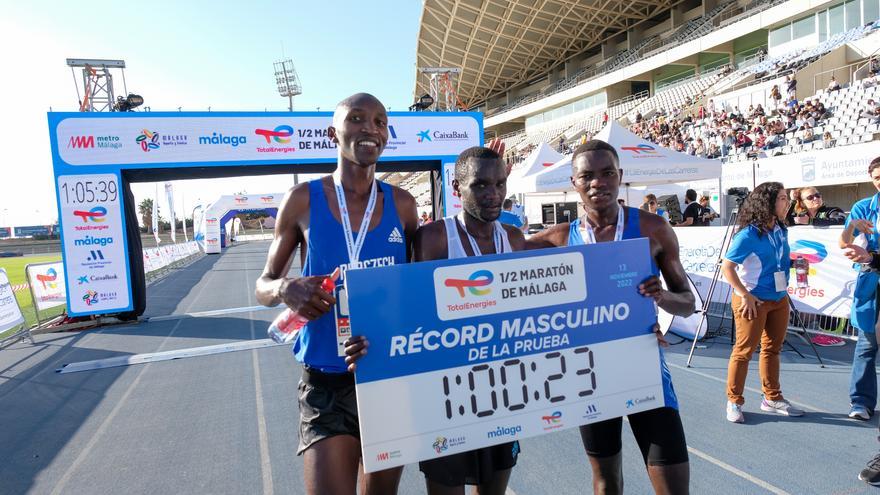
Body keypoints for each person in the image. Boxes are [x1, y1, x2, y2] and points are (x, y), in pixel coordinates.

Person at [254, 93, 419, 495]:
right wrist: (285, 288)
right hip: (327, 380)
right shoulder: (302, 200)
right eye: (358, 119)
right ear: (334, 132)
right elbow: (263, 286)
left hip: (386, 374)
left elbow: (417, 291)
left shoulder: (403, 204)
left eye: (380, 122)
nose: (370, 129)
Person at [527, 140, 695, 495]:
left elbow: (687, 302)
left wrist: (661, 296)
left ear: (620, 177)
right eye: (587, 176)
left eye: (607, 174)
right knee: (606, 483)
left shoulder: (653, 229)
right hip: (590, 376)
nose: (597, 183)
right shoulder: (558, 239)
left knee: (674, 486)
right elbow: (494, 252)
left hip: (644, 370)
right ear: (573, 182)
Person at [414, 146, 526, 495]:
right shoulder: (434, 239)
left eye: (500, 183)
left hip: (503, 391)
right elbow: (411, 315)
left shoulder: (515, 239)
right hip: (445, 394)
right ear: (456, 187)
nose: (493, 194)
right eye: (480, 185)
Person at [721, 182, 805, 424]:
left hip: (779, 299)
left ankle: (772, 398)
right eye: (781, 198)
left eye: (786, 198)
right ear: (767, 202)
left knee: (772, 350)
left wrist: (794, 264)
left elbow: (778, 259)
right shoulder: (747, 235)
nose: (786, 202)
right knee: (743, 352)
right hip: (753, 301)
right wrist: (744, 294)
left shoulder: (780, 228)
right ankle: (734, 401)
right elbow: (727, 267)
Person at [840, 157, 880, 485]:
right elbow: (844, 239)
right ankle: (861, 401)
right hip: (870, 282)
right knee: (866, 343)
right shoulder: (863, 207)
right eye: (877, 177)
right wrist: (854, 246)